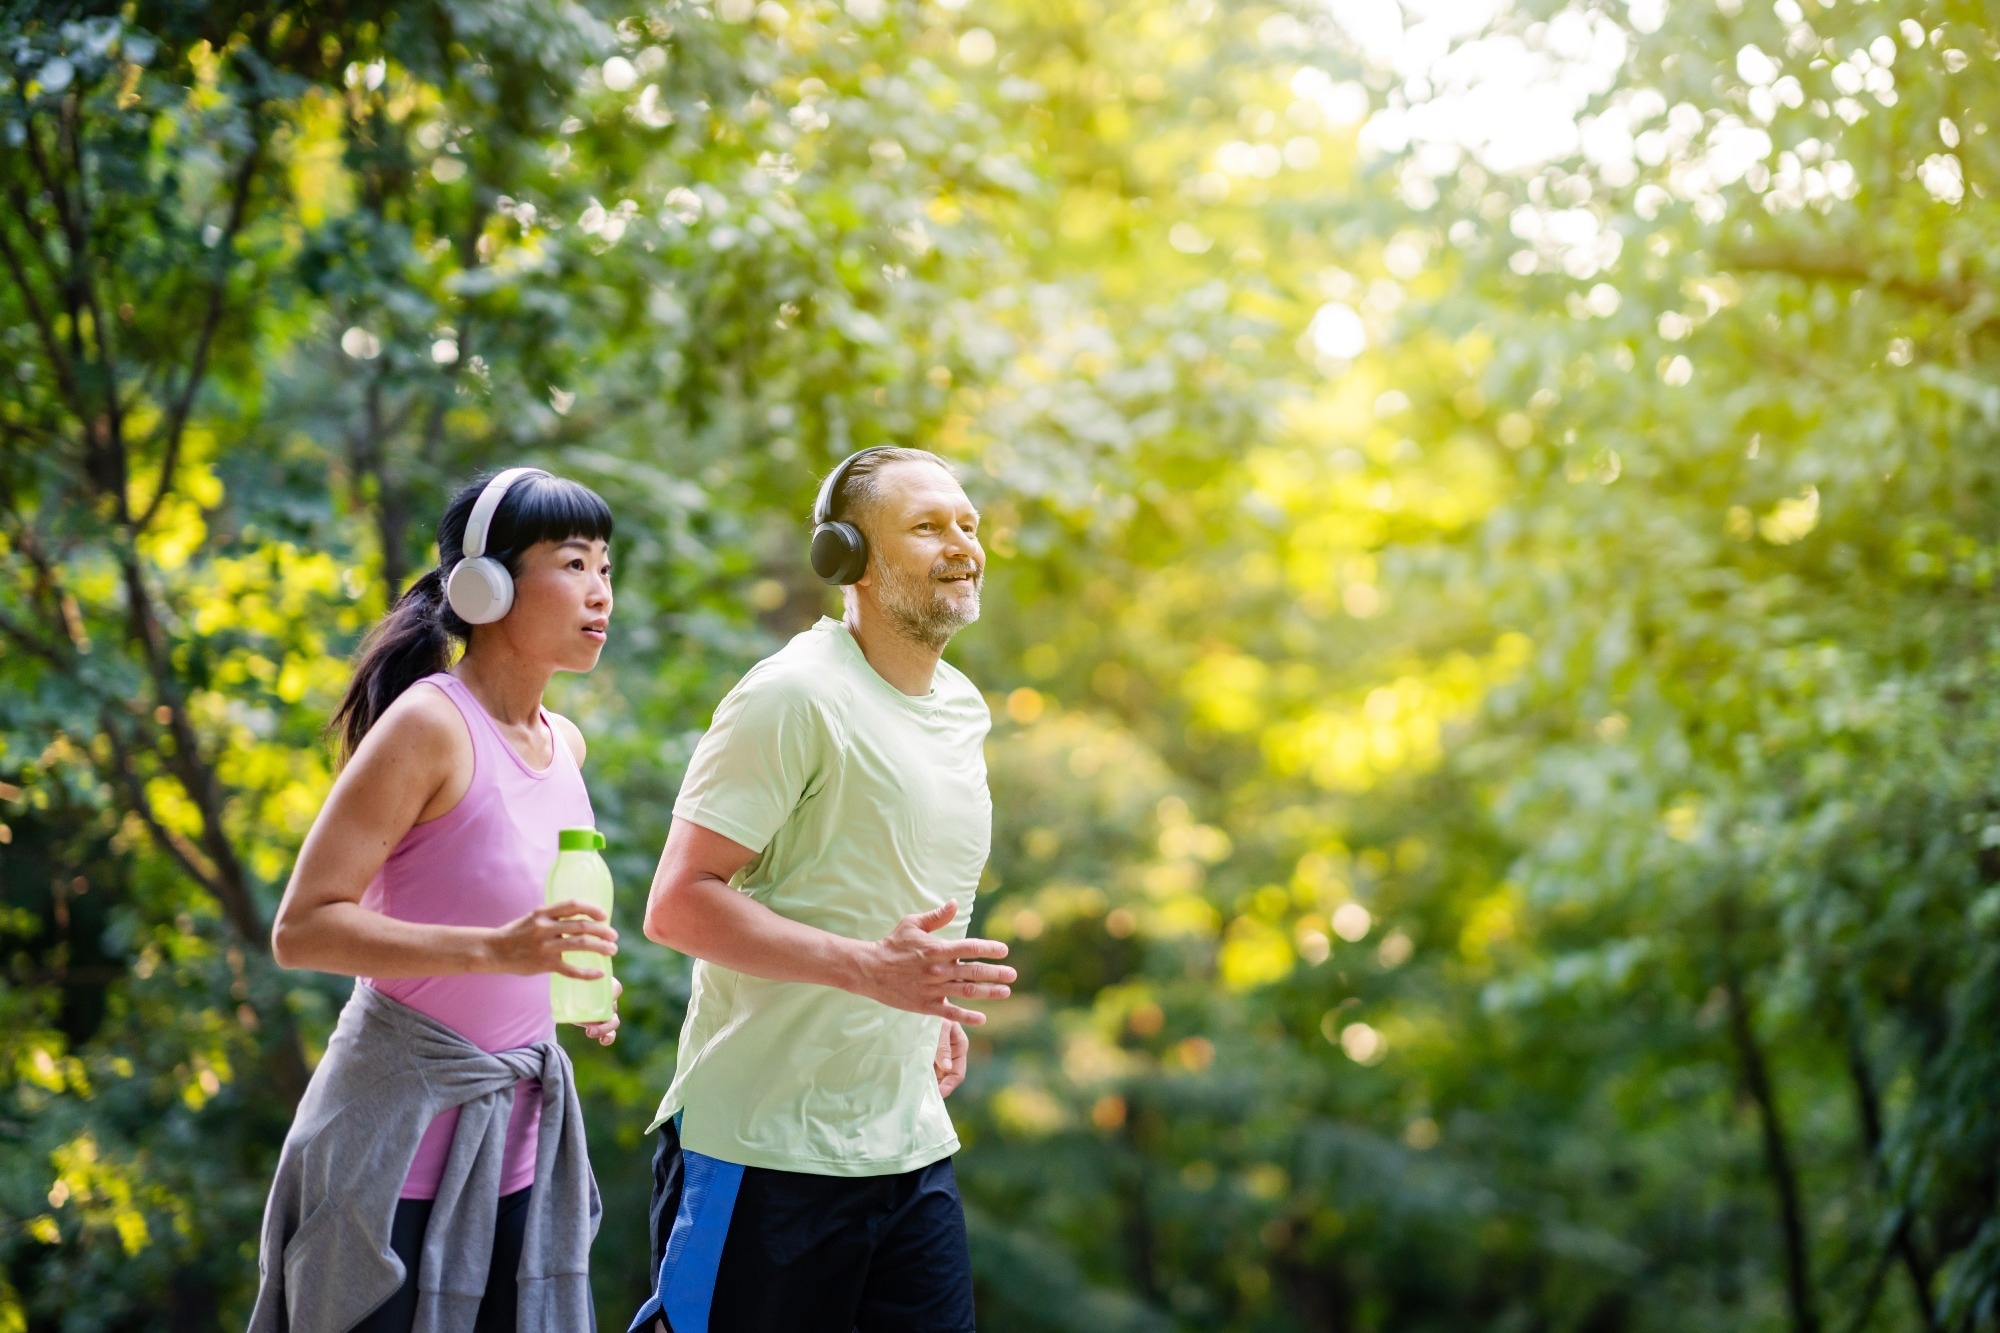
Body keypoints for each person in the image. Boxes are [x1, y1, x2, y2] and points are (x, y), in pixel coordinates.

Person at [633, 447, 1014, 1333]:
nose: (961, 544)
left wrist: (932, 1006)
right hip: (762, 1151)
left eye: (967, 523)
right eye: (927, 527)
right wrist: (870, 972)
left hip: (908, 1145)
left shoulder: (960, 706)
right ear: (849, 559)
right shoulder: (794, 696)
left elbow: (895, 884)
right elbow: (678, 900)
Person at [251, 469, 621, 1333]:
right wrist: (498, 954)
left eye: (606, 566)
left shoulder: (565, 743)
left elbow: (530, 924)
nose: (599, 591)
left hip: (519, 1155)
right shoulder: (429, 725)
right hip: (393, 1156)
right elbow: (301, 929)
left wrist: (572, 981)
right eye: (572, 563)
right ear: (485, 586)